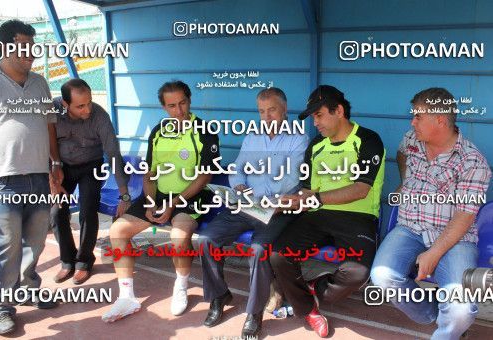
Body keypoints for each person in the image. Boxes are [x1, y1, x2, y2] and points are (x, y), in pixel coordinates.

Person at [370, 87, 491, 340]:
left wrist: (433, 253)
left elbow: (464, 216)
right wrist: (405, 180)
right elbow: (402, 152)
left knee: (460, 309)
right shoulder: (413, 139)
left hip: (455, 237)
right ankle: (431, 314)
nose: (412, 122)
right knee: (382, 277)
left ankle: (448, 331)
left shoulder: (473, 162)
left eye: (418, 116)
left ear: (440, 120)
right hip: (409, 227)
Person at [270, 85, 385, 337]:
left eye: (319, 115)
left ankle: (312, 286)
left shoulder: (368, 140)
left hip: (358, 218)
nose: (316, 122)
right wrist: (289, 201)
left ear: (339, 111)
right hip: (317, 215)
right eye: (313, 117)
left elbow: (361, 189)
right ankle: (308, 308)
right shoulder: (316, 145)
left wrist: (316, 198)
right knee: (278, 254)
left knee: (358, 274)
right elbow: (307, 189)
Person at [101, 80, 220, 322]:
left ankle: (181, 285)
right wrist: (152, 201)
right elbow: (150, 174)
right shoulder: (158, 132)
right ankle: (127, 297)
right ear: (164, 108)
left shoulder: (204, 130)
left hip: (192, 195)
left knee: (179, 236)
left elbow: (205, 175)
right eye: (172, 105)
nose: (179, 110)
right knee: (118, 231)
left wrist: (173, 203)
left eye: (183, 103)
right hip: (160, 195)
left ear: (189, 100)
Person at [198, 88, 308, 337]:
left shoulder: (298, 138)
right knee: (206, 240)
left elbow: (291, 179)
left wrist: (261, 197)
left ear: (284, 110)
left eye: (272, 110)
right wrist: (238, 184)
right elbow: (237, 167)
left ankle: (254, 313)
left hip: (278, 210)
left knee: (258, 250)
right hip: (245, 205)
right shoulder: (253, 136)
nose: (266, 117)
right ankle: (218, 296)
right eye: (261, 111)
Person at [0, 20, 61, 335]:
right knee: (6, 243)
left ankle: (27, 287)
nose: (30, 51)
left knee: (37, 241)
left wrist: (56, 163)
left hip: (40, 176)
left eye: (32, 45)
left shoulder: (40, 82)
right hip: (1, 179)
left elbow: (49, 124)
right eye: (23, 45)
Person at [50, 78, 131, 285]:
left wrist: (124, 194)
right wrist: (52, 177)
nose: (87, 109)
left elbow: (113, 153)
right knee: (56, 212)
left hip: (91, 166)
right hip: (63, 167)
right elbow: (42, 145)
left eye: (89, 102)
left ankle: (84, 262)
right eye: (80, 106)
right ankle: (67, 261)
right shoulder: (52, 112)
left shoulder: (99, 115)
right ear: (65, 104)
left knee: (88, 209)